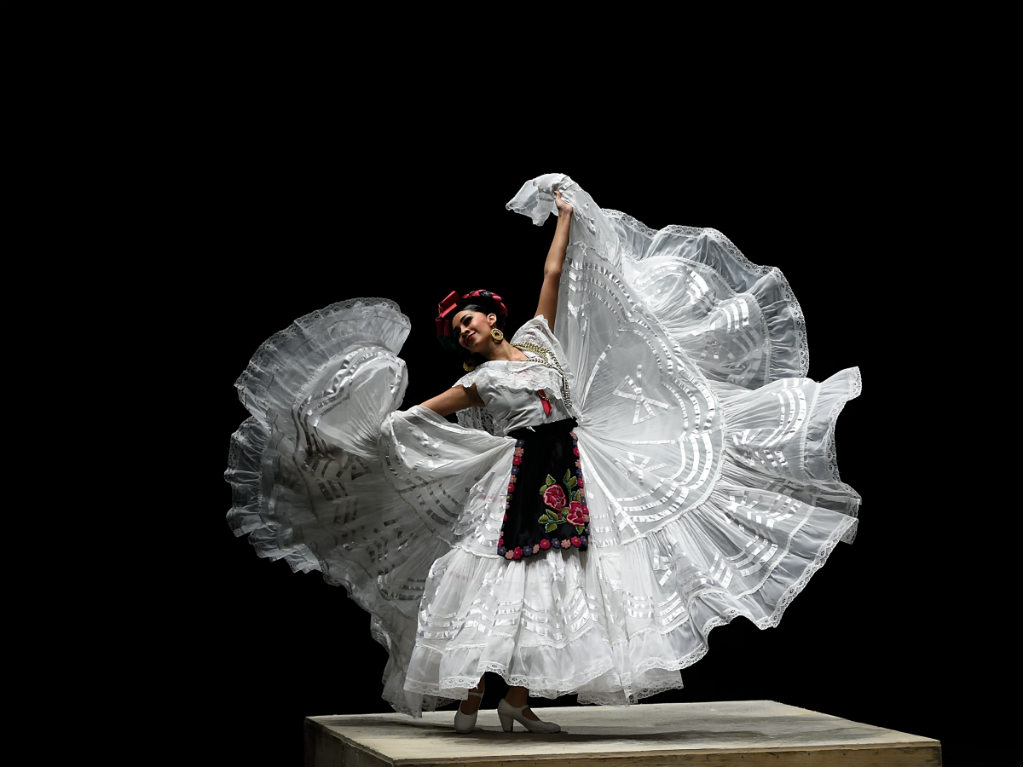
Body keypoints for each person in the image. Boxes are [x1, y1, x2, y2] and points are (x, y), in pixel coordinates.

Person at [225, 174, 862, 735]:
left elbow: (552, 276)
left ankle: (517, 698)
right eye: (457, 332)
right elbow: (411, 418)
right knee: (502, 578)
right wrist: (354, 424)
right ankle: (476, 692)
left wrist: (564, 216)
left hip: (575, 463)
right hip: (526, 472)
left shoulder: (537, 341)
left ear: (491, 317)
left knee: (561, 580)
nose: (465, 331)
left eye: (468, 321)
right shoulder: (476, 383)